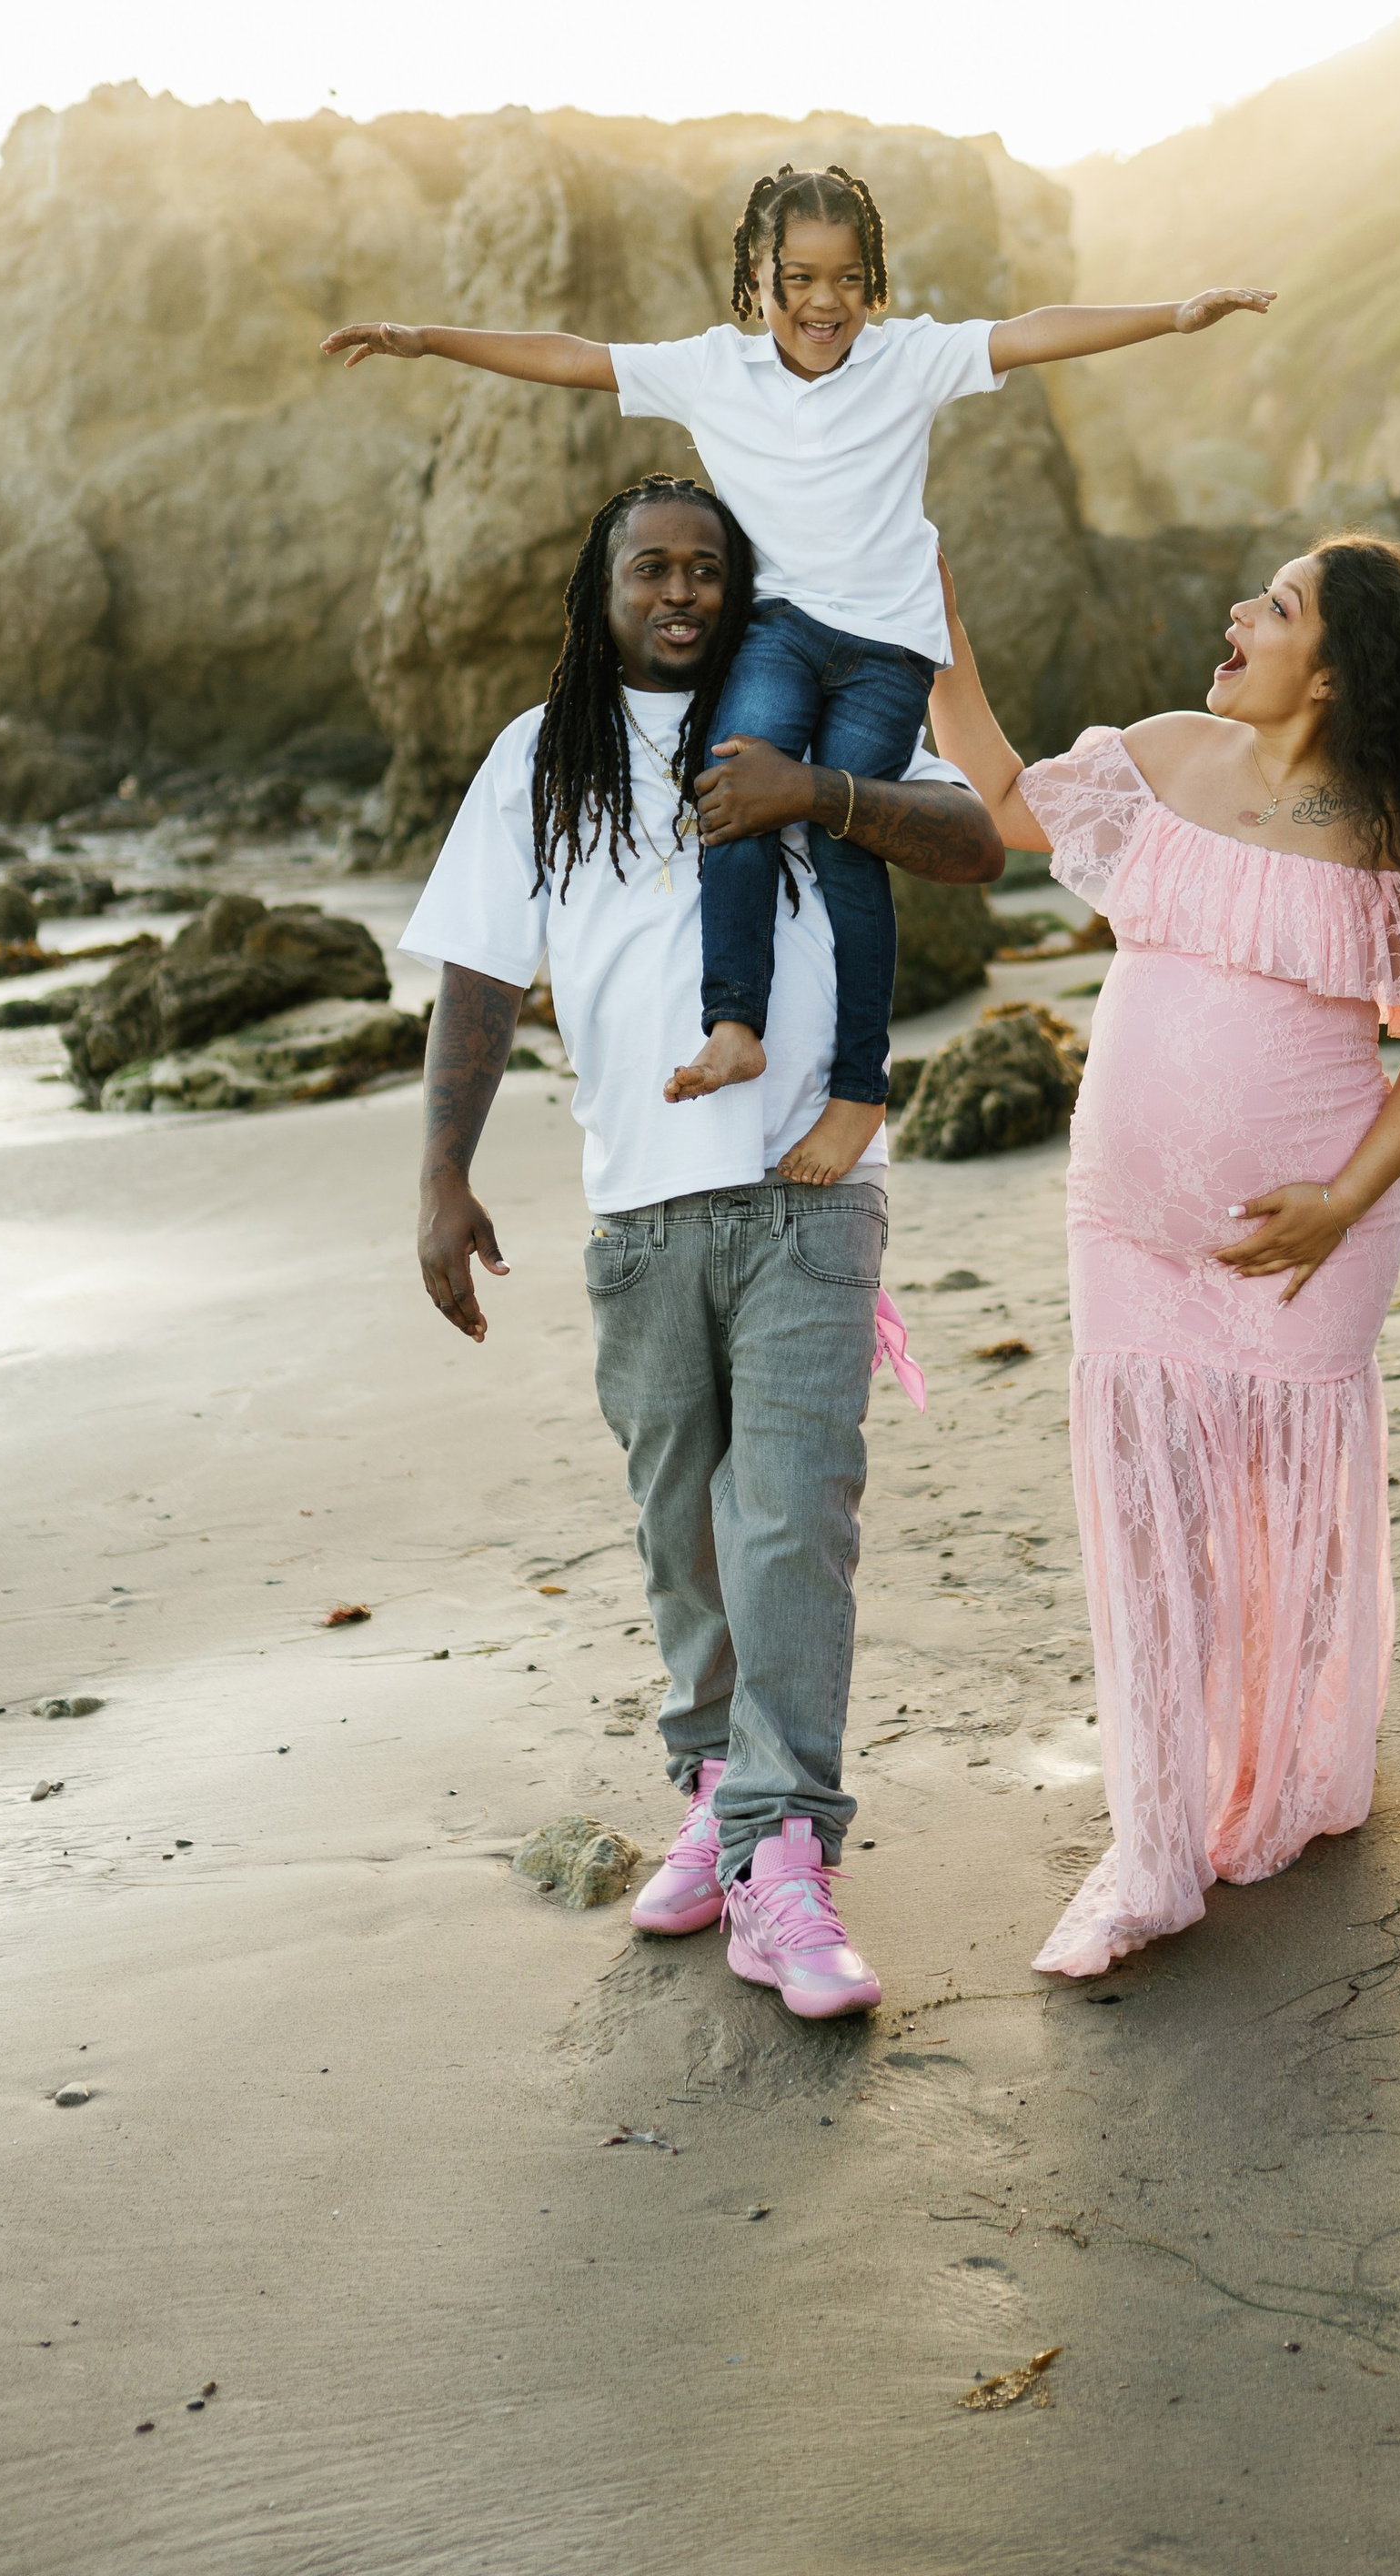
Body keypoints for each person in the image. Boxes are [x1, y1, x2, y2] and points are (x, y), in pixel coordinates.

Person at [326, 162, 1271, 1188]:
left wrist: (1175, 316)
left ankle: (858, 1088)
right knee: (734, 789)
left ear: (874, 282)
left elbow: (1036, 329)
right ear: (755, 279)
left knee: (848, 838)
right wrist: (427, 340)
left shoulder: (910, 358)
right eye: (800, 278)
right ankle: (735, 1022)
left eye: (849, 278)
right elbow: (572, 357)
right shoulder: (708, 370)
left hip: (886, 650)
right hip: (774, 629)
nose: (826, 302)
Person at [399, 472, 1003, 2020]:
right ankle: (718, 1790)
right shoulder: (545, 759)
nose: (678, 593)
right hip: (640, 1212)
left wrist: (819, 798)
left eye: (705, 571)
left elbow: (974, 842)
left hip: (812, 1192)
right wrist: (442, 1179)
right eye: (647, 571)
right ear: (597, 600)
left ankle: (787, 1859)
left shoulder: (802, 713)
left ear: (742, 590)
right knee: (682, 1526)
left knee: (792, 1523)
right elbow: (478, 972)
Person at [926, 532, 1400, 1977]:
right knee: (1152, 1521)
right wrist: (940, 633)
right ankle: (1153, 1849)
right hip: (1128, 1225)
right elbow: (1007, 794)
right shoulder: (1162, 758)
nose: (1237, 613)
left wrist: (1343, 1201)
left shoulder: (1393, 833)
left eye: (1275, 608)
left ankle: (1280, 1776)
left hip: (1305, 1248)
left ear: (1331, 671)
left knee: (1279, 1518)